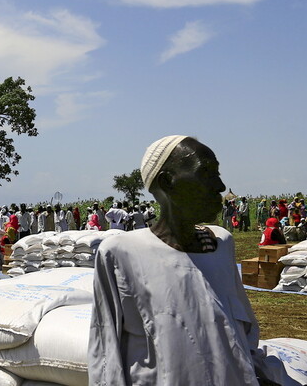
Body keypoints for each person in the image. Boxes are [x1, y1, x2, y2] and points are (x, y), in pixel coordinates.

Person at [89, 135, 274, 385]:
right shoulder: (120, 253)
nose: (220, 186)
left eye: (218, 173)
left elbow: (243, 333)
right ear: (168, 182)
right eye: (206, 172)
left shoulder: (221, 244)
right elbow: (105, 349)